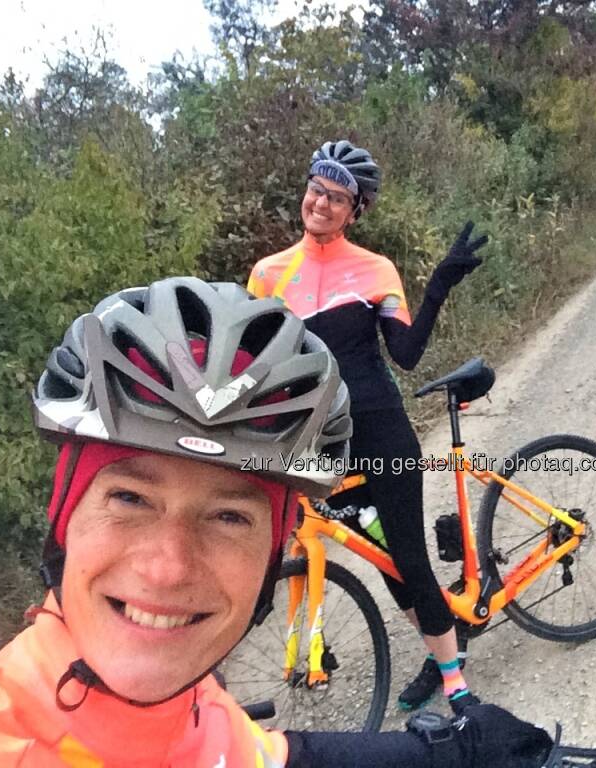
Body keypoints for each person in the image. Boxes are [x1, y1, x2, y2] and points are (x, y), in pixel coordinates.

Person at [0, 277, 553, 767]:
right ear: (63, 516)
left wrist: (446, 752)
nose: (168, 569)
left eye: (228, 515)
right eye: (130, 499)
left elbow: (269, 755)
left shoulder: (198, 702)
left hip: (385, 432)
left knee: (410, 562)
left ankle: (452, 673)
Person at [248, 140, 489, 714]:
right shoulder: (267, 275)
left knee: (409, 557)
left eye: (337, 198)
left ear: (354, 212)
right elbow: (257, 366)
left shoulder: (375, 269)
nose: (321, 203)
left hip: (383, 432)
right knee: (384, 561)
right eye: (317, 189)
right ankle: (443, 649)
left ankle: (455, 684)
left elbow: (405, 354)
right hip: (325, 442)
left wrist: (439, 285)